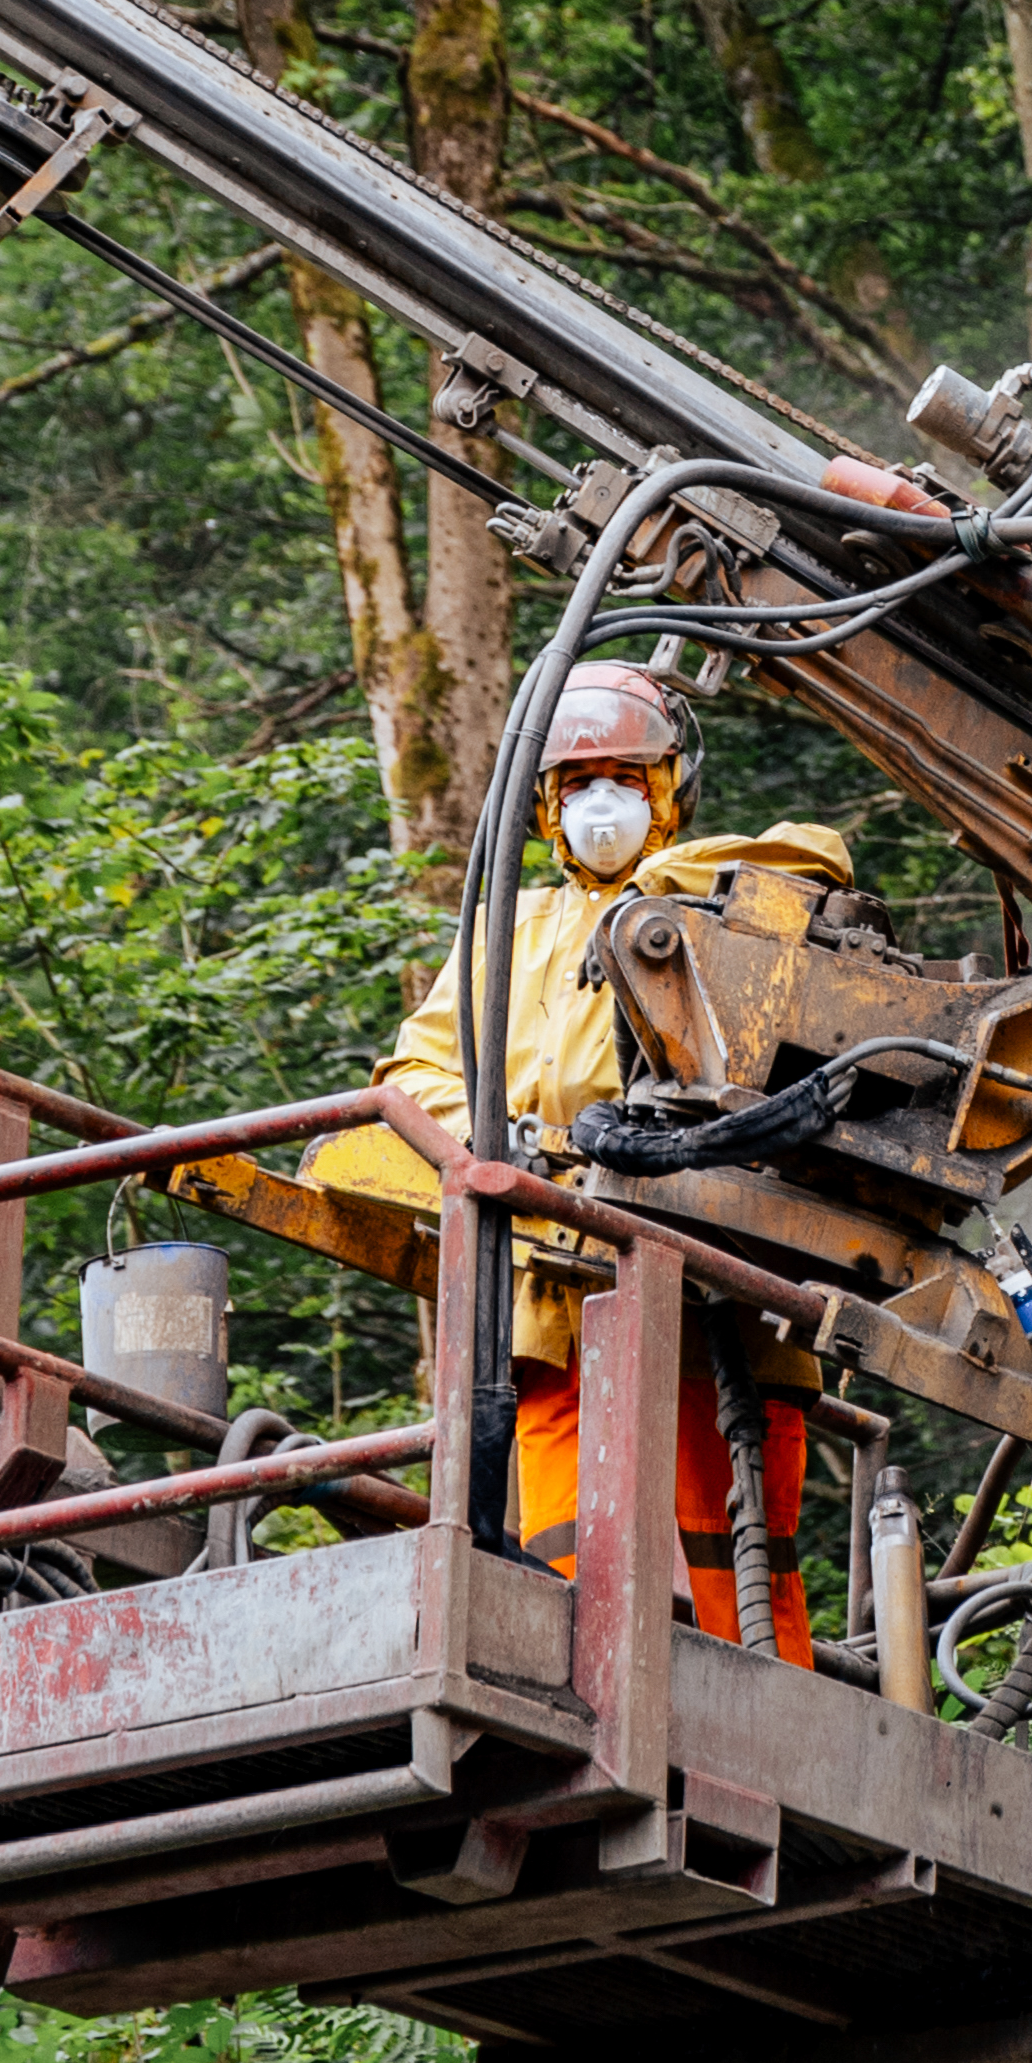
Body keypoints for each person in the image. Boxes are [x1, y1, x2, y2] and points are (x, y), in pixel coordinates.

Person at [301, 660, 852, 1661]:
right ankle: (586, 1719)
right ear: (547, 807)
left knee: (730, 1565)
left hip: (714, 1296)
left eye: (626, 778)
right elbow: (414, 1066)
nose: (602, 800)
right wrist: (489, 1133)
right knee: (571, 1575)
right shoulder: (504, 930)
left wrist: (654, 891)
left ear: (670, 791)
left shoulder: (716, 898)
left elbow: (819, 855)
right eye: (577, 780)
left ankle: (758, 1753)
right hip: (554, 1311)